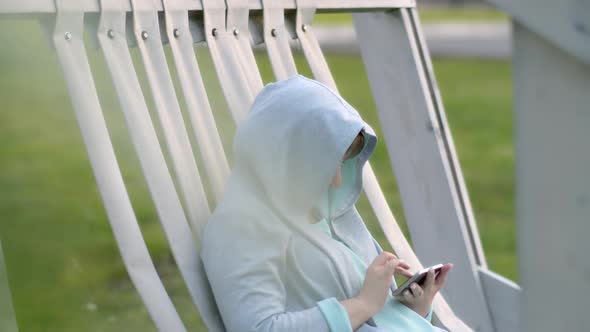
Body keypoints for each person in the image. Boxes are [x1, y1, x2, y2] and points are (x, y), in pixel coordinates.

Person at [201, 75, 453, 331]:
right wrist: (364, 304)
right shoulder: (240, 227)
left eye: (341, 163)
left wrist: (410, 309)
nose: (336, 181)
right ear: (289, 158)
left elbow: (371, 312)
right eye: (326, 165)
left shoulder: (324, 212)